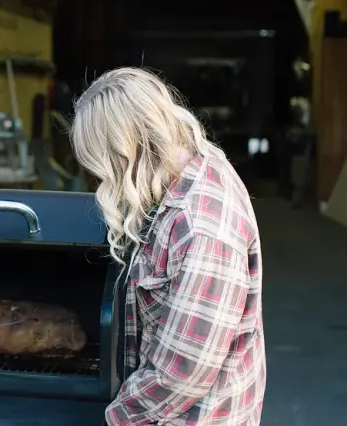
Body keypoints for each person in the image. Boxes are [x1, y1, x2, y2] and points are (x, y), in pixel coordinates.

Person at [69, 67, 266, 426]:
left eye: (103, 167)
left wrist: (115, 418)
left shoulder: (202, 229)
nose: (101, 180)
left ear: (127, 151)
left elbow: (180, 373)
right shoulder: (189, 163)